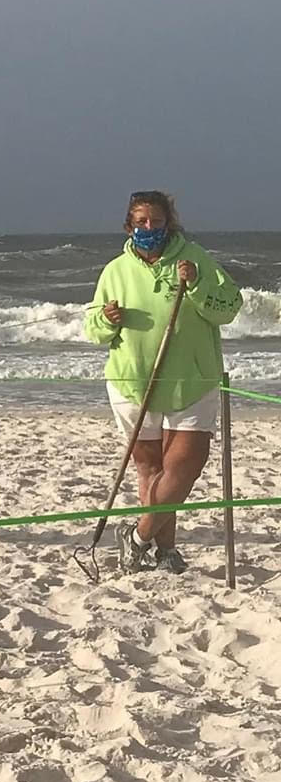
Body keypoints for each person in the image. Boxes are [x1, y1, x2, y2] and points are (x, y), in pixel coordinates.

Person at [85, 191, 243, 574]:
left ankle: (137, 537)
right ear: (129, 225)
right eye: (141, 222)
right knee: (150, 469)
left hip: (192, 380)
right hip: (133, 383)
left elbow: (230, 307)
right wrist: (107, 318)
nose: (149, 229)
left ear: (168, 223)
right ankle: (165, 551)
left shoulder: (195, 259)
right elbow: (93, 331)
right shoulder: (115, 270)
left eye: (156, 221)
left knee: (187, 463)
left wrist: (196, 285)